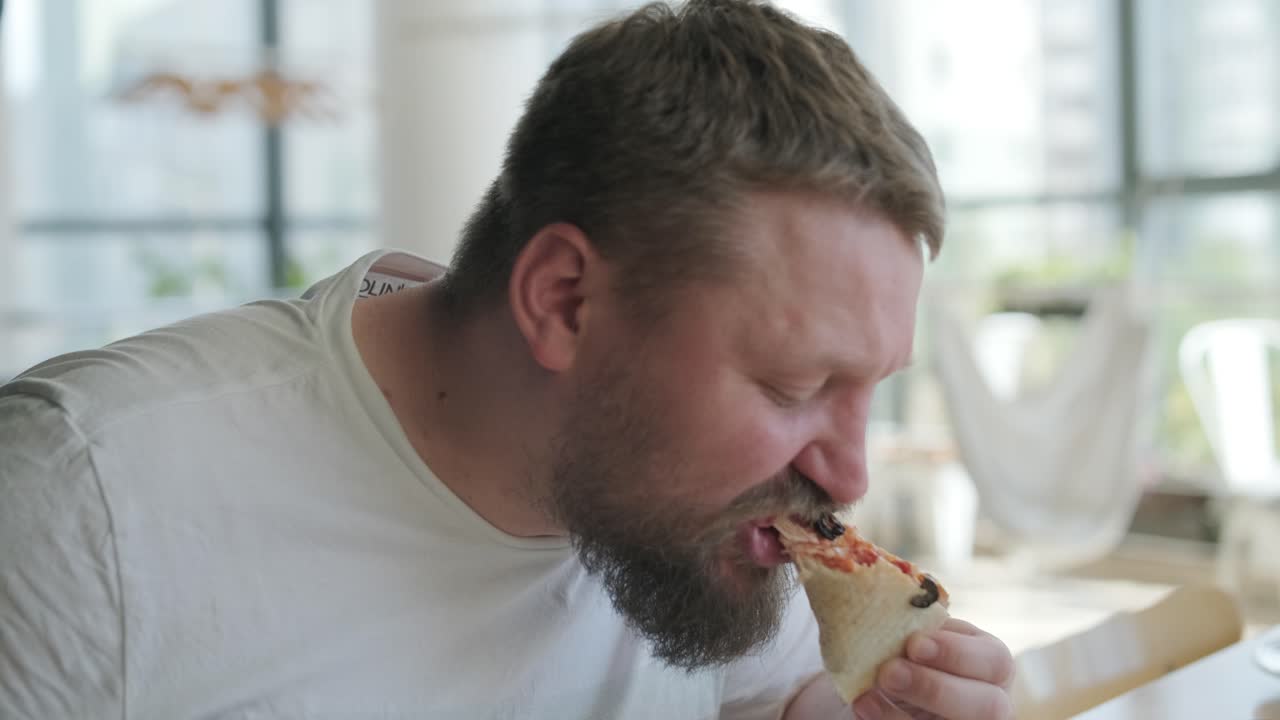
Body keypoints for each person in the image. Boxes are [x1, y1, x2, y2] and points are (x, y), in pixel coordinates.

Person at [0, 1, 1014, 718]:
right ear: (563, 302)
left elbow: (770, 698)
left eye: (867, 389)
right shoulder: (83, 503)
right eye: (794, 388)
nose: (848, 473)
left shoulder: (722, 526)